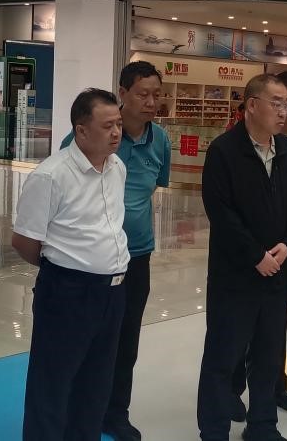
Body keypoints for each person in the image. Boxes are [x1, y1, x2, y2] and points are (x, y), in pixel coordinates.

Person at [58, 61, 171, 441]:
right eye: (143, 94)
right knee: (84, 341)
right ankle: (75, 411)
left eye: (157, 95)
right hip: (88, 262)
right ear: (122, 93)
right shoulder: (92, 134)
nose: (151, 102)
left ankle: (115, 412)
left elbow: (154, 186)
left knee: (125, 342)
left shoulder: (160, 140)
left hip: (136, 257)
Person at [13, 89, 130, 441]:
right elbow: (24, 241)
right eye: (107, 126)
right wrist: (64, 270)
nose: (116, 132)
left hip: (113, 291)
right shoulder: (52, 175)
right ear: (81, 130)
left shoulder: (117, 167)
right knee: (52, 384)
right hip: (67, 292)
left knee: (96, 384)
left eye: (119, 124)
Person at [198, 74, 287, 441]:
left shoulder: (285, 149)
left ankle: (262, 426)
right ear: (252, 105)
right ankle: (214, 430)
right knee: (223, 356)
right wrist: (255, 255)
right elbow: (220, 212)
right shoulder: (224, 151)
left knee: (268, 353)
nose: (285, 110)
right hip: (235, 275)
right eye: (277, 103)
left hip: (277, 272)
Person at [230, 70, 287, 417]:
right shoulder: (239, 145)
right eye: (283, 101)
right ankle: (233, 388)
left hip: (286, 244)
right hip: (249, 248)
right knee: (241, 321)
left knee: (275, 319)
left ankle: (274, 386)